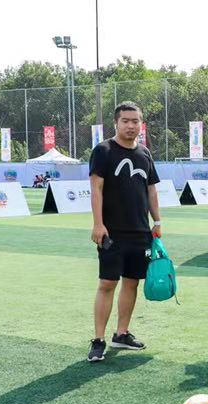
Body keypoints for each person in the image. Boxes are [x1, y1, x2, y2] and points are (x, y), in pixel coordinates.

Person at [87, 101, 161, 363]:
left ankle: (122, 333)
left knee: (132, 282)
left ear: (141, 124)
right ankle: (98, 340)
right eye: (126, 121)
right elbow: (96, 189)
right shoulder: (103, 150)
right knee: (107, 283)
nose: (131, 126)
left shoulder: (145, 153)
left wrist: (158, 222)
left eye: (135, 121)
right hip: (112, 232)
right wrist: (98, 224)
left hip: (140, 232)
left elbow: (151, 189)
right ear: (116, 123)